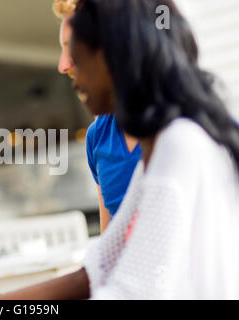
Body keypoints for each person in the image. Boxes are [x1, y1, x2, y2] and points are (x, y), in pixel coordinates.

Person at [0, 0, 239, 299]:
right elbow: (101, 267)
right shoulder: (154, 150)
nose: (63, 65)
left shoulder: (181, 141)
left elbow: (130, 290)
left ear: (117, 55)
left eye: (75, 47)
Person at [53, 0, 141, 234]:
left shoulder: (188, 127)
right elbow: (109, 246)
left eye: (70, 46)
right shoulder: (98, 135)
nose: (62, 65)